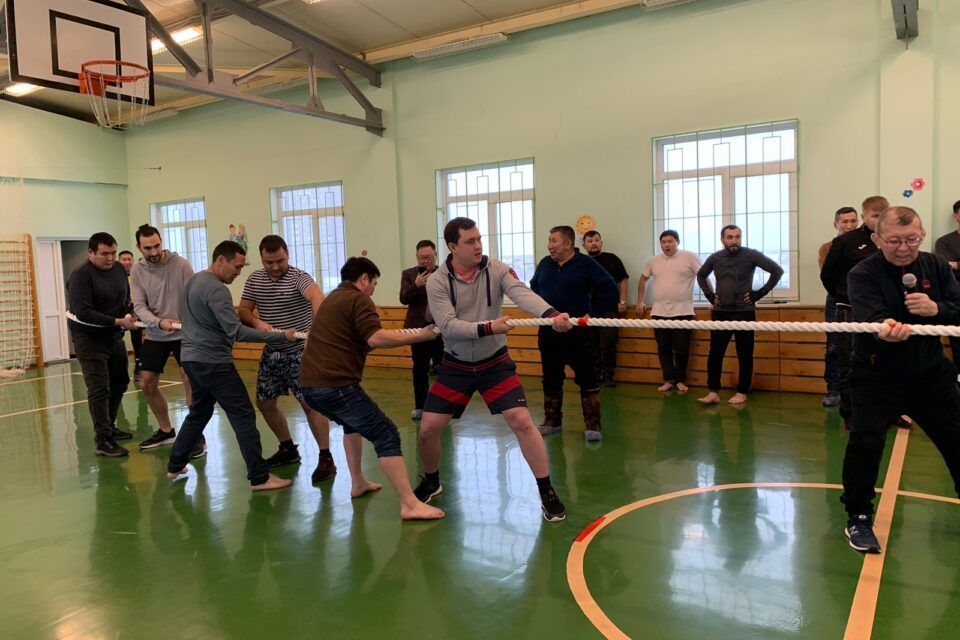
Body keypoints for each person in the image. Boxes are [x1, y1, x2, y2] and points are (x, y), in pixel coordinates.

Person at [416, 217, 571, 522]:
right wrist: (489, 327)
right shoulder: (437, 281)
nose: (478, 246)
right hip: (456, 365)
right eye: (470, 241)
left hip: (494, 363)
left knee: (522, 421)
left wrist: (551, 314)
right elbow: (448, 326)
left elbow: (522, 293)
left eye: (479, 239)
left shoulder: (496, 269)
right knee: (427, 430)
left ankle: (546, 491)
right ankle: (432, 481)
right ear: (452, 246)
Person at [840, 206, 960, 553]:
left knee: (957, 438)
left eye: (912, 239)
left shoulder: (936, 266)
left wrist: (937, 309)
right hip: (876, 374)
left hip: (930, 372)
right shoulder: (862, 273)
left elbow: (956, 309)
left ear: (922, 235)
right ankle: (858, 517)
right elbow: (871, 317)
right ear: (877, 239)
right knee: (865, 443)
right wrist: (884, 329)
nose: (904, 248)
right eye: (894, 241)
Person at [299, 256, 445, 521]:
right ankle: (410, 504)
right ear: (364, 279)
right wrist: (422, 334)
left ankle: (357, 482)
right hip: (334, 386)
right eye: (374, 284)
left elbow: (357, 342)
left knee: (351, 425)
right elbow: (375, 337)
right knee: (386, 433)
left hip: (310, 388)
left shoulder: (333, 299)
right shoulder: (358, 299)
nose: (374, 290)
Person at [166, 241, 296, 491]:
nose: (238, 272)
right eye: (236, 266)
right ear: (220, 261)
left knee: (199, 412)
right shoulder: (217, 289)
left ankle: (175, 465)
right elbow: (236, 332)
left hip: (191, 360)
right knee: (243, 415)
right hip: (214, 364)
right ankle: (259, 477)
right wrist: (279, 336)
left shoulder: (193, 281)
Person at [238, 235, 335, 483]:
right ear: (261, 258)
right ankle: (287, 448)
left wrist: (318, 328)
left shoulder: (298, 277)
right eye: (269, 262)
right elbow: (244, 309)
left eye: (279, 261)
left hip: (302, 351)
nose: (275, 267)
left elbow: (317, 296)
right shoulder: (255, 279)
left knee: (310, 404)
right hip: (273, 350)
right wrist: (257, 322)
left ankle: (326, 457)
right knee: (265, 402)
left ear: (287, 255)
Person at [531, 225, 618, 441]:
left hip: (579, 333)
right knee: (550, 377)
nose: (549, 245)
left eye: (554, 241)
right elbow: (533, 290)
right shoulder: (544, 264)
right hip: (549, 331)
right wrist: (543, 312)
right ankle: (552, 421)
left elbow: (610, 288)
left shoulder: (586, 263)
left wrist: (593, 315)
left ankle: (593, 424)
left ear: (568, 243)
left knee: (588, 378)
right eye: (549, 241)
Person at [129, 224, 200, 456]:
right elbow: (139, 306)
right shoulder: (137, 271)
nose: (153, 251)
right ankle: (166, 430)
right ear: (139, 247)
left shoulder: (181, 265)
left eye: (157, 245)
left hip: (184, 333)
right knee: (147, 383)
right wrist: (159, 322)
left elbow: (194, 296)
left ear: (162, 242)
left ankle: (196, 435)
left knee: (189, 379)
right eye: (147, 248)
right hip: (156, 333)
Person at [67, 232, 138, 457]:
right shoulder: (80, 276)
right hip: (88, 339)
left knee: (120, 381)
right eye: (104, 254)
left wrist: (131, 311)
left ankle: (109, 425)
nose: (110, 258)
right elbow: (84, 312)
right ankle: (103, 439)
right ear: (91, 253)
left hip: (113, 336)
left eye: (113, 253)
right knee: (99, 388)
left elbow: (123, 299)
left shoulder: (118, 270)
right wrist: (118, 321)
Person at [821, 195, 889, 427]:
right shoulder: (845, 241)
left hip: (883, 312)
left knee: (886, 362)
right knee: (848, 362)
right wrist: (845, 296)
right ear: (864, 216)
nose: (879, 220)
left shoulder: (891, 239)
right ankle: (851, 416)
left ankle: (888, 412)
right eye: (875, 216)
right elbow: (828, 276)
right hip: (849, 310)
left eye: (883, 215)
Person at [696, 225, 783, 405]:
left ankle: (742, 392)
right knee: (715, 354)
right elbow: (701, 275)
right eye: (730, 237)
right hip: (721, 313)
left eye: (737, 237)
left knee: (745, 354)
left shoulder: (751, 255)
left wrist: (758, 294)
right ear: (722, 239)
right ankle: (713, 392)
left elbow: (777, 271)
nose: (734, 241)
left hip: (744, 312)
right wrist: (710, 296)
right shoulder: (715, 258)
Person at [636, 230, 702, 392]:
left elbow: (703, 276)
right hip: (659, 312)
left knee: (682, 348)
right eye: (663, 242)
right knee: (663, 348)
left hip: (683, 312)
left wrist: (713, 298)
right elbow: (643, 279)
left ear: (677, 242)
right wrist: (640, 301)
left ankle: (680, 380)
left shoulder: (690, 257)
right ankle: (668, 380)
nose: (667, 244)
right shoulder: (653, 261)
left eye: (670, 241)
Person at [399, 239, 444, 421]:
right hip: (417, 331)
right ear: (417, 257)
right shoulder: (409, 274)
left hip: (441, 329)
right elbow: (403, 298)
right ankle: (420, 406)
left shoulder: (444, 273)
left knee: (444, 369)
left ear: (435, 255)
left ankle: (443, 406)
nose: (425, 261)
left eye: (428, 257)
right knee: (420, 369)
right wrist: (416, 285)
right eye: (421, 257)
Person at [818, 207, 860, 407]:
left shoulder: (867, 244)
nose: (849, 225)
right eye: (845, 221)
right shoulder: (827, 248)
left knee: (860, 345)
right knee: (834, 345)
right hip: (836, 299)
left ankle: (858, 390)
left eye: (853, 221)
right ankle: (834, 389)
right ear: (836, 224)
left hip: (862, 300)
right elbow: (828, 276)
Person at [582, 230, 629, 386]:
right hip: (587, 312)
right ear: (584, 245)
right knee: (590, 344)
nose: (594, 243)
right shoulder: (580, 262)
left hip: (609, 310)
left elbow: (623, 279)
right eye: (590, 241)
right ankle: (594, 375)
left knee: (608, 342)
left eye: (596, 240)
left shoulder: (612, 259)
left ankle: (608, 375)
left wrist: (622, 301)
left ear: (601, 243)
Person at [933, 199, 960, 366]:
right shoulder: (944, 242)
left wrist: (957, 264)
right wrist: (953, 265)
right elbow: (945, 267)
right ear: (956, 216)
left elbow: (953, 265)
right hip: (955, 300)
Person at [118, 250, 143, 380]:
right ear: (119, 260)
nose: (127, 262)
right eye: (124, 259)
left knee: (137, 338)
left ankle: (138, 366)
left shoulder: (137, 276)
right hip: (119, 311)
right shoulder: (115, 276)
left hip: (135, 310)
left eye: (129, 259)